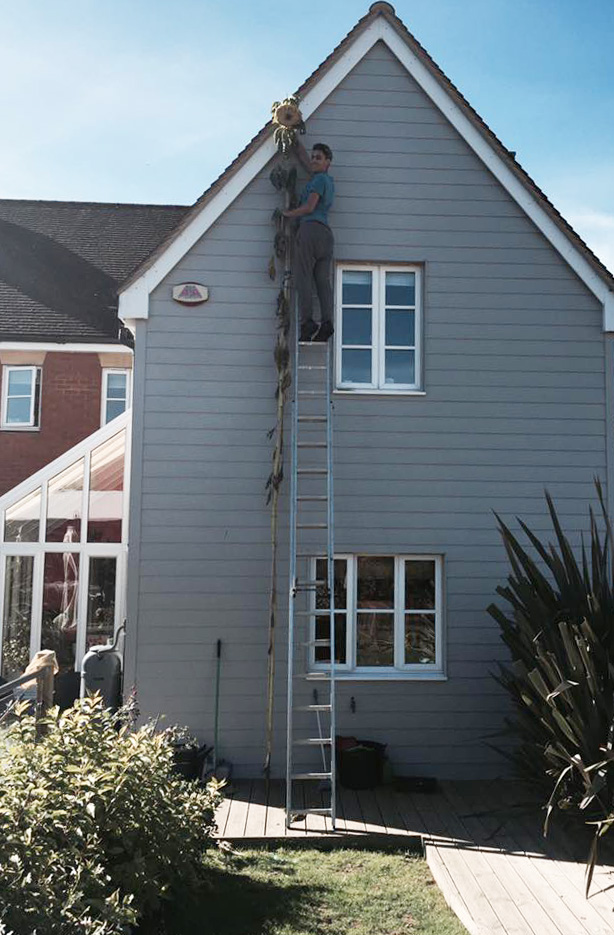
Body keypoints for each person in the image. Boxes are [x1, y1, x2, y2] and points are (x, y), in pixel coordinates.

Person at [283, 141, 335, 342]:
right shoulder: (327, 181)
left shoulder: (318, 181)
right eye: (313, 157)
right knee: (322, 281)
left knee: (303, 276)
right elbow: (306, 162)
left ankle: (307, 322)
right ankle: (327, 322)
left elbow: (310, 206)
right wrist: (295, 142)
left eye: (318, 158)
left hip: (310, 230)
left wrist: (289, 214)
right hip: (326, 236)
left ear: (327, 162)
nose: (313, 160)